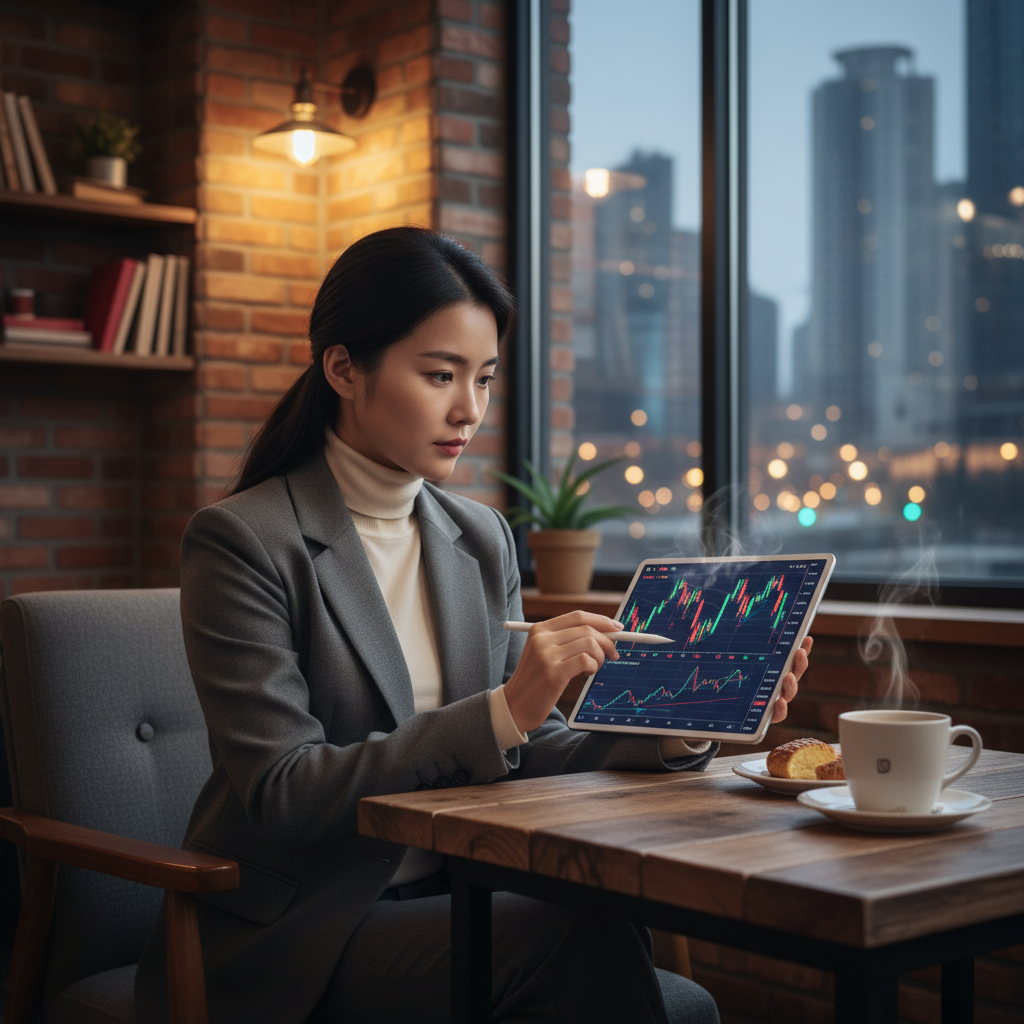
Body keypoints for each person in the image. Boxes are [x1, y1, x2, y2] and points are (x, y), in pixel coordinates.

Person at [135, 227, 810, 1024]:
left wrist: (682, 720)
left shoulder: (478, 535)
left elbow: (531, 753)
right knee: (575, 938)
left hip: (461, 892)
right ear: (344, 369)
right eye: (439, 374)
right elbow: (286, 794)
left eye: (484, 379)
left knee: (590, 923)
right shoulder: (244, 541)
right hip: (302, 931)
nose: (470, 409)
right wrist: (504, 710)